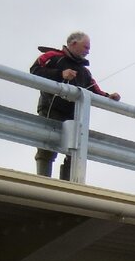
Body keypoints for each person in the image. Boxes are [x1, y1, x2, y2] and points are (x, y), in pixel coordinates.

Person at [29, 32, 120, 179]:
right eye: (86, 47)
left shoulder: (84, 71)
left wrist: (109, 97)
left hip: (73, 114)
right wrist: (61, 74)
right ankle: (43, 180)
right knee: (47, 146)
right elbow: (35, 71)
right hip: (51, 109)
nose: (88, 51)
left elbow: (94, 90)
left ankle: (67, 184)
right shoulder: (53, 56)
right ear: (73, 44)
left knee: (74, 149)